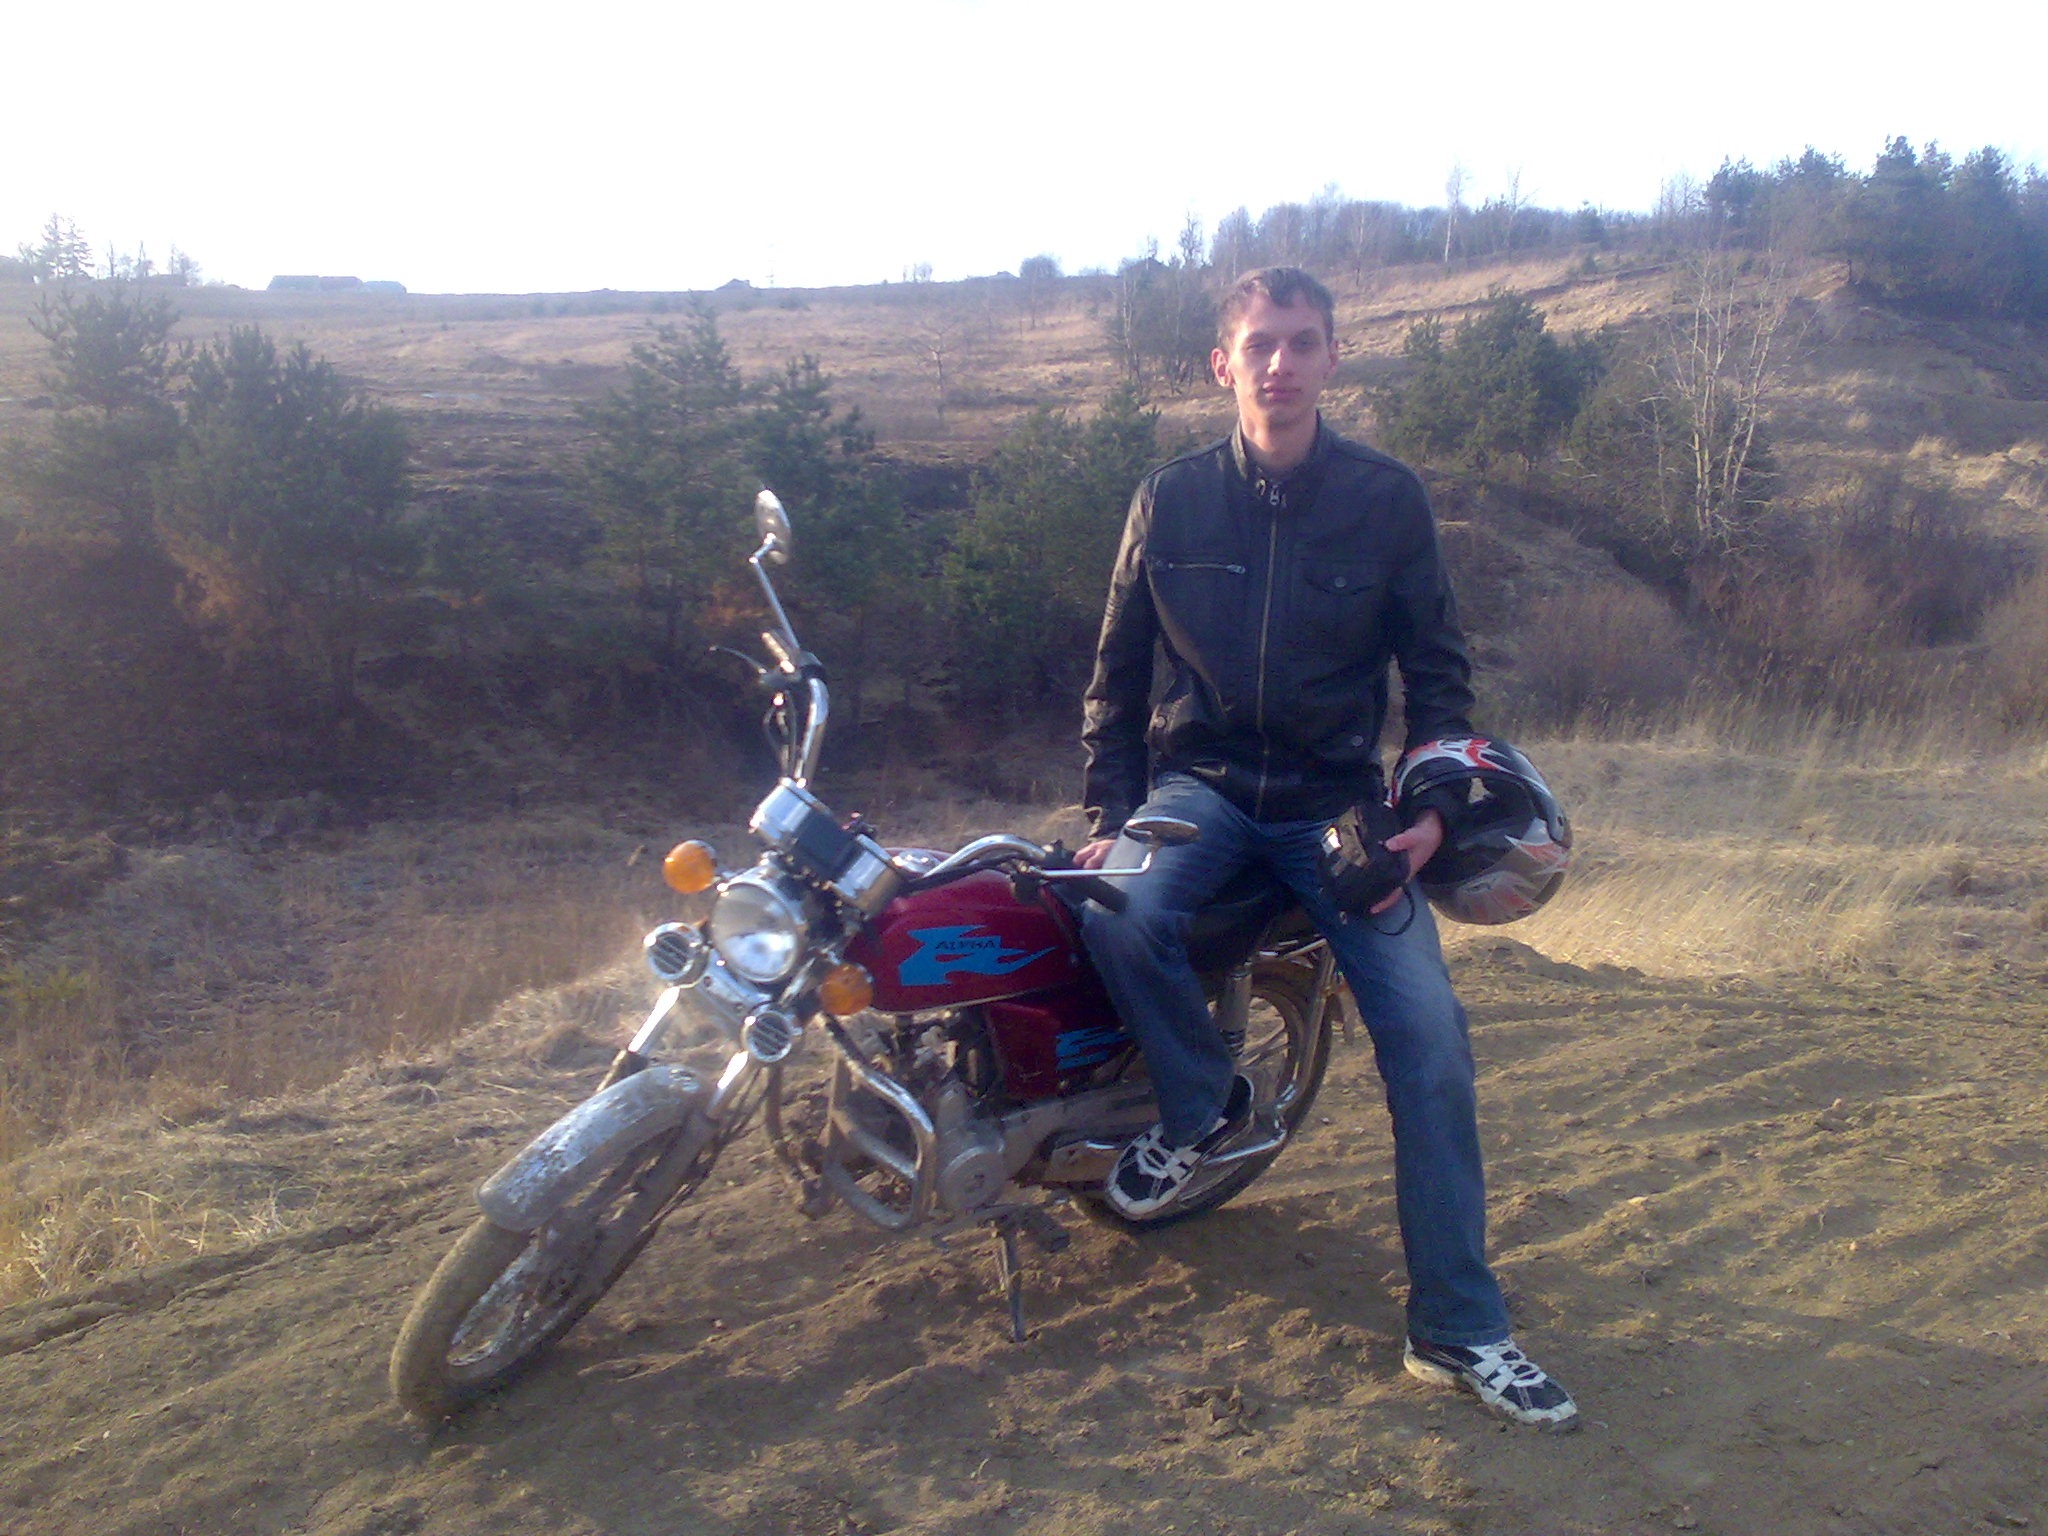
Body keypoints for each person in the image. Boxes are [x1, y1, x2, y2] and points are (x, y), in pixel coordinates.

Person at [1073, 267, 1578, 1433]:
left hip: (1334, 806)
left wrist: (1431, 816)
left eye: (1302, 342)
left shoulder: (1385, 501)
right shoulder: (1168, 499)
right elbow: (1114, 678)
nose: (1280, 364)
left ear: (1331, 357)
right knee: (1111, 910)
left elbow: (1438, 681)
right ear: (1223, 364)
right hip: (1198, 788)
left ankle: (1456, 1329)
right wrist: (1107, 816)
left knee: (1431, 1046)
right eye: (1259, 344)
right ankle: (1199, 1106)